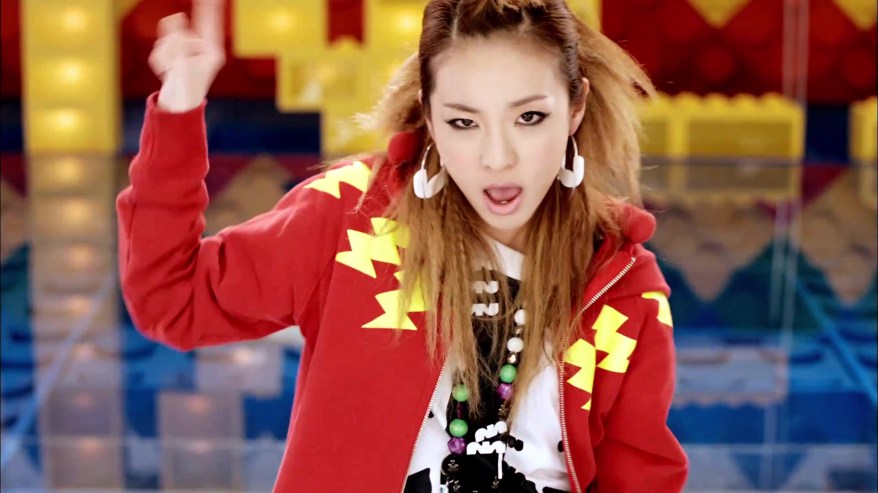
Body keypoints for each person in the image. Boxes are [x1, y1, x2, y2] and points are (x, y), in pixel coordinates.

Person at [117, 0, 689, 491]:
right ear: (429, 117)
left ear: (576, 107)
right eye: (464, 123)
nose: (498, 159)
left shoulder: (625, 291)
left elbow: (642, 479)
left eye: (530, 117)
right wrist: (179, 107)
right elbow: (173, 299)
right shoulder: (352, 219)